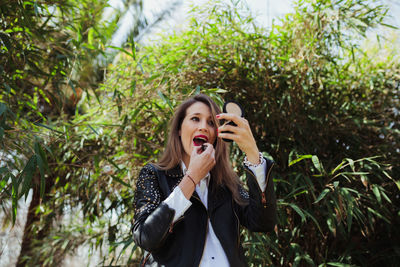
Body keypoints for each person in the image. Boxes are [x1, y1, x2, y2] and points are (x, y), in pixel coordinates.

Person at [133, 94, 277, 266]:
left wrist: (253, 153)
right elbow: (145, 236)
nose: (203, 127)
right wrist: (192, 178)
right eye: (195, 119)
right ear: (179, 129)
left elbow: (263, 222)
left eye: (211, 123)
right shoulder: (154, 175)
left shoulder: (227, 185)